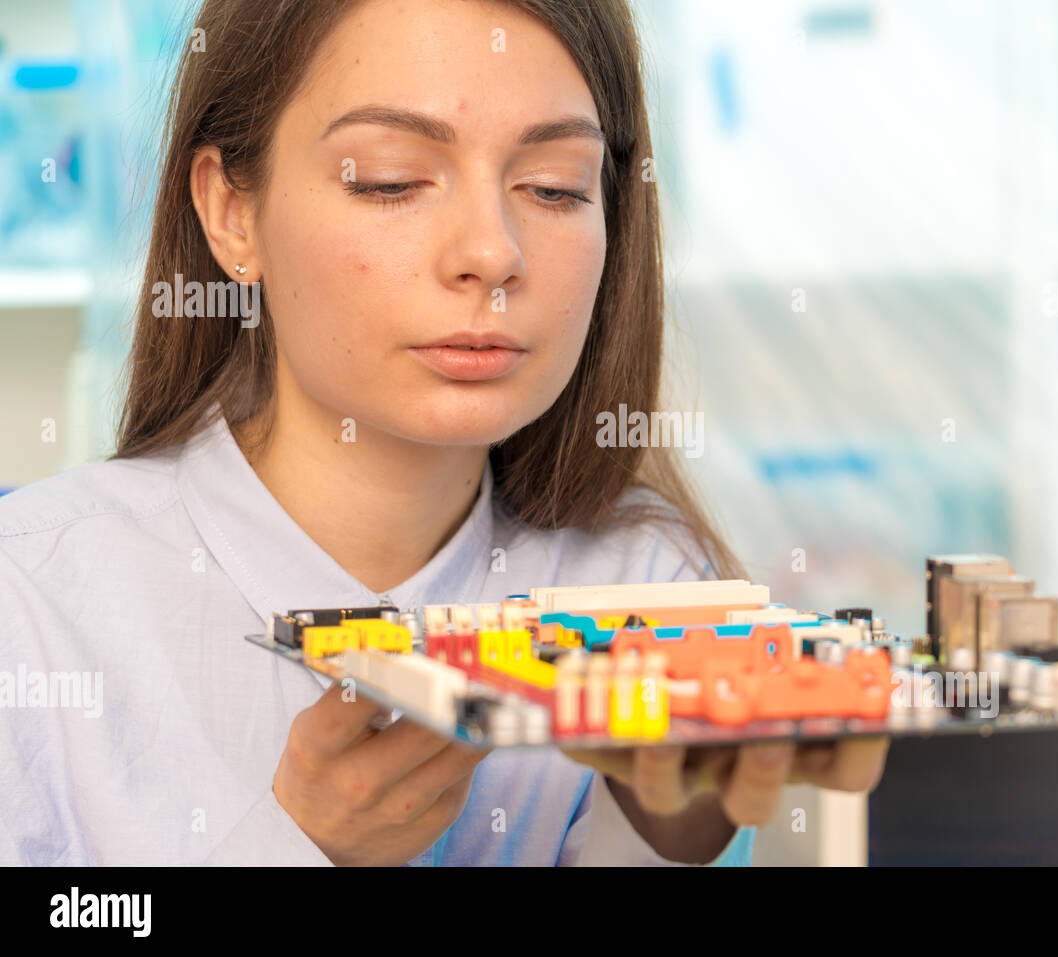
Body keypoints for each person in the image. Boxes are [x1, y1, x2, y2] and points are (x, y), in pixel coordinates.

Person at [0, 0, 888, 866]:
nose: (491, 253)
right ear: (232, 212)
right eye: (391, 179)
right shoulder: (33, 604)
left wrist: (675, 841)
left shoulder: (648, 588)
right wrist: (294, 851)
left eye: (554, 186)